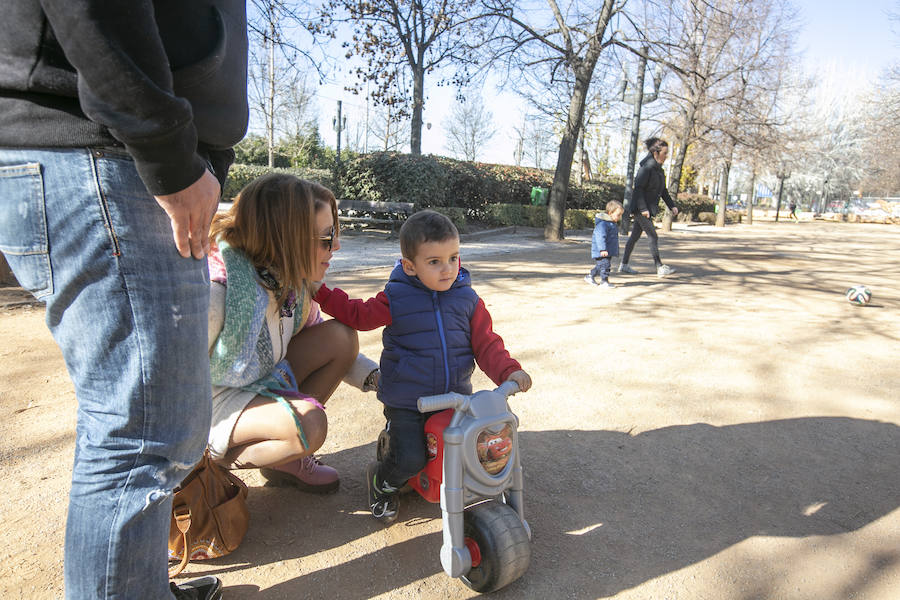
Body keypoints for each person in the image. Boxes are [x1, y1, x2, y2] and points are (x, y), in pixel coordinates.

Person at [0, 3, 248, 599]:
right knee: (141, 434)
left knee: (145, 425)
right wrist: (166, 151)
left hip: (118, 154)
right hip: (108, 154)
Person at [313, 210, 533, 524]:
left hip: (455, 399)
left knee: (477, 449)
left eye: (454, 258)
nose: (448, 269)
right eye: (434, 262)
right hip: (408, 401)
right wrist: (319, 292)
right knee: (411, 458)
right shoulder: (397, 297)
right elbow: (358, 315)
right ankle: (382, 482)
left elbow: (487, 345)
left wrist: (509, 371)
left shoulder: (468, 301)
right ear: (410, 266)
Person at [206, 173, 379, 493]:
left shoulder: (293, 286)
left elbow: (320, 342)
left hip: (263, 381)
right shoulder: (220, 292)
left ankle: (286, 459)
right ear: (286, 239)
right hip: (213, 405)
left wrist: (379, 379)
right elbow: (170, 378)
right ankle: (208, 466)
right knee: (310, 424)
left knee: (342, 337)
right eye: (327, 237)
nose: (337, 246)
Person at [619, 137, 680, 277]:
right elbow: (638, 189)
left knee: (634, 236)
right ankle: (659, 267)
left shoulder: (659, 171)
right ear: (656, 153)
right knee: (653, 235)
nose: (666, 156)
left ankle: (624, 265)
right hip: (641, 209)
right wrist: (643, 209)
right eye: (664, 153)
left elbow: (663, 190)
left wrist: (672, 206)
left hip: (647, 209)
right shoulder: (646, 168)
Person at [585, 200, 625, 288]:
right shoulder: (603, 224)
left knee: (600, 266)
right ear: (610, 213)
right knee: (605, 265)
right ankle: (604, 281)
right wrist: (602, 249)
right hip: (601, 250)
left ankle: (590, 276)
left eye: (621, 215)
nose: (619, 217)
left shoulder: (612, 224)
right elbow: (600, 237)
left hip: (608, 250)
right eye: (618, 215)